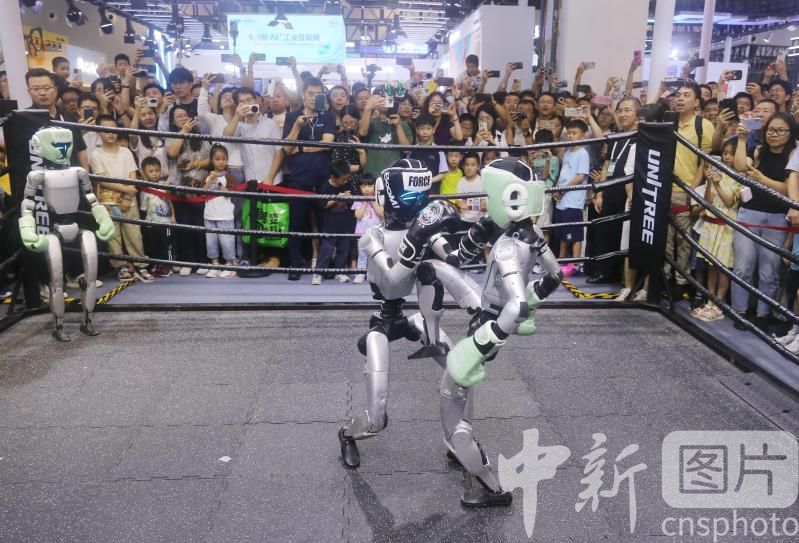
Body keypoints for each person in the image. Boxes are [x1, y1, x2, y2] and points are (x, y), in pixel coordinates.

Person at [731, 113, 797, 331]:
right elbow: (740, 166)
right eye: (770, 129)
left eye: (780, 130)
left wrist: (762, 179)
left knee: (769, 271)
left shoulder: (793, 155)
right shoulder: (758, 150)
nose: (774, 134)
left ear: (790, 133)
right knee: (742, 267)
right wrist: (742, 140)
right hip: (749, 212)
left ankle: (762, 313)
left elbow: (789, 191)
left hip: (778, 218)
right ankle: (740, 311)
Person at [269, 77, 336, 279]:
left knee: (325, 224)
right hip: (298, 178)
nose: (314, 97)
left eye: (319, 94)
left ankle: (325, 265)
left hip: (323, 178)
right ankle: (295, 264)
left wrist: (302, 148)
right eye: (310, 93)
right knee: (296, 224)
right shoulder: (292, 117)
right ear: (303, 95)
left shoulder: (328, 117)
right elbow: (287, 149)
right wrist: (297, 127)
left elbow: (327, 144)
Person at [665, 82, 715, 299]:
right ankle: (665, 278)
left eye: (686, 95)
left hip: (686, 189)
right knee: (665, 240)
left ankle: (681, 282)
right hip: (664, 188)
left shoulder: (703, 125)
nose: (680, 99)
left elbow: (705, 161)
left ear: (696, 102)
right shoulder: (668, 122)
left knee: (684, 241)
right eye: (678, 95)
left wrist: (692, 190)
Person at [90, 115, 154, 283]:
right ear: (98, 132)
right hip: (108, 202)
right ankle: (121, 267)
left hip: (129, 200)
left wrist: (128, 195)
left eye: (113, 129)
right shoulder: (96, 154)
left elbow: (133, 175)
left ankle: (141, 266)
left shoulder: (126, 152)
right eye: (105, 129)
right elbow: (103, 180)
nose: (110, 133)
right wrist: (127, 190)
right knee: (113, 237)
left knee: (134, 235)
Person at [587, 97, 641, 284]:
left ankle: (622, 276)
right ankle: (604, 272)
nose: (623, 114)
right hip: (610, 190)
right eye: (620, 110)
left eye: (628, 110)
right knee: (605, 232)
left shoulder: (641, 138)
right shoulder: (616, 138)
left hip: (629, 193)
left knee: (623, 234)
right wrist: (600, 192)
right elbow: (608, 165)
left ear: (638, 114)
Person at [691, 138, 742, 321]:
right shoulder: (717, 172)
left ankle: (719, 305)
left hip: (726, 227)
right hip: (710, 225)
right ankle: (709, 301)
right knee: (711, 266)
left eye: (732, 154)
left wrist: (718, 184)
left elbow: (729, 202)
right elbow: (707, 201)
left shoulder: (740, 177)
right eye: (725, 153)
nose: (727, 157)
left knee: (723, 268)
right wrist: (710, 181)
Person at [167, 104, 210, 276]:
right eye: (179, 116)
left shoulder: (201, 137)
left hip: (199, 189)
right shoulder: (171, 136)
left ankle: (203, 260)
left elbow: (211, 159)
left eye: (185, 115)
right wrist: (183, 131)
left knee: (200, 225)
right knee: (185, 226)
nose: (183, 118)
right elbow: (172, 153)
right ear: (173, 121)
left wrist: (196, 164)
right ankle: (188, 261)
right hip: (179, 189)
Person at [26, 68, 88, 169]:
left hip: (71, 174)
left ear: (55, 90)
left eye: (47, 88)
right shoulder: (24, 119)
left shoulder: (68, 117)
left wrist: (85, 175)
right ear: (29, 92)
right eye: (36, 89)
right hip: (41, 175)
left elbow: (81, 149)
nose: (42, 93)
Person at [553, 119, 590, 275]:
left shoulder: (583, 153)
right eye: (569, 133)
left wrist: (563, 189)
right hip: (563, 199)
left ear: (583, 135)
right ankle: (561, 262)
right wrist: (557, 189)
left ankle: (576, 264)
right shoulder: (568, 152)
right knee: (563, 233)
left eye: (574, 133)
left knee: (575, 235)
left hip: (574, 201)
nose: (571, 136)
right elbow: (564, 173)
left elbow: (581, 176)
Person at [313, 160, 356, 285]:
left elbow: (354, 200)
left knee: (344, 248)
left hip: (346, 221)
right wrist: (336, 198)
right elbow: (322, 205)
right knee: (327, 248)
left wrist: (349, 197)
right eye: (343, 179)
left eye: (347, 179)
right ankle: (318, 272)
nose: (346, 181)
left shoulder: (348, 184)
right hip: (330, 223)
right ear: (333, 177)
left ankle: (339, 271)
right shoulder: (324, 186)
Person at [202, 145, 237, 278]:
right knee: (211, 242)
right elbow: (203, 193)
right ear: (212, 160)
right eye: (217, 159)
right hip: (209, 215)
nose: (221, 162)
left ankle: (229, 265)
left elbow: (228, 194)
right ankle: (215, 265)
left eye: (223, 159)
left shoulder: (230, 177)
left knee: (227, 241)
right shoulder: (207, 176)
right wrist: (210, 179)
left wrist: (217, 181)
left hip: (225, 216)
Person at [138, 156, 175, 278]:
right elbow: (143, 209)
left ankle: (168, 266)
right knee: (154, 245)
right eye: (151, 171)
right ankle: (157, 265)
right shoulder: (144, 190)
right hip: (151, 222)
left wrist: (173, 216)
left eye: (157, 170)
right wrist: (145, 223)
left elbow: (169, 201)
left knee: (166, 244)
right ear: (144, 172)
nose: (154, 173)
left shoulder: (164, 186)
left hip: (165, 221)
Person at [351, 174, 383, 284]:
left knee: (375, 256)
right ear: (359, 187)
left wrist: (373, 202)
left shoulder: (379, 199)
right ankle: (360, 275)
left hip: (376, 234)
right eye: (363, 186)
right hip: (362, 234)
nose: (366, 189)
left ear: (375, 186)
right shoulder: (358, 200)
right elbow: (358, 215)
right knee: (362, 255)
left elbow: (382, 215)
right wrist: (364, 203)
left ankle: (372, 275)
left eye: (369, 186)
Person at [409, 113, 448, 184]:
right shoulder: (412, 150)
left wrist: (428, 181)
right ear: (417, 130)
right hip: (414, 187)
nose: (425, 132)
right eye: (422, 128)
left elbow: (443, 173)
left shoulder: (439, 150)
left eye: (428, 128)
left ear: (433, 130)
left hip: (433, 188)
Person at [455, 151, 485, 225]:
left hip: (480, 220)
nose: (469, 168)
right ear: (463, 166)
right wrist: (459, 204)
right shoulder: (460, 181)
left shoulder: (482, 181)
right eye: (467, 165)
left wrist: (484, 205)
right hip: (464, 219)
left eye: (473, 165)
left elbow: (484, 203)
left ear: (478, 167)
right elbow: (458, 200)